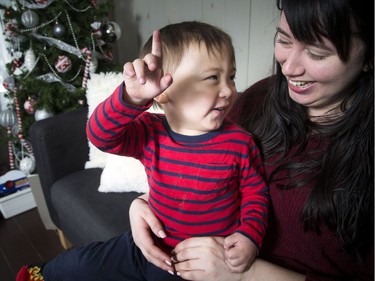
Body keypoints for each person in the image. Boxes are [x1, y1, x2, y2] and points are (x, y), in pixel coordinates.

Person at [128, 0, 374, 280]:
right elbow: (206, 165)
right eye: (283, 40)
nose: (289, 68)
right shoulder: (258, 98)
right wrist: (144, 203)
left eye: (317, 53)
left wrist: (244, 274)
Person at [16, 21, 269, 281]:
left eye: (231, 76)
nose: (228, 90)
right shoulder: (151, 132)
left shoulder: (240, 142)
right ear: (163, 90)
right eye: (213, 78)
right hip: (145, 246)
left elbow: (255, 193)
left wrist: (249, 235)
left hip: (197, 266)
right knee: (76, 265)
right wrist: (131, 97)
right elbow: (101, 135)